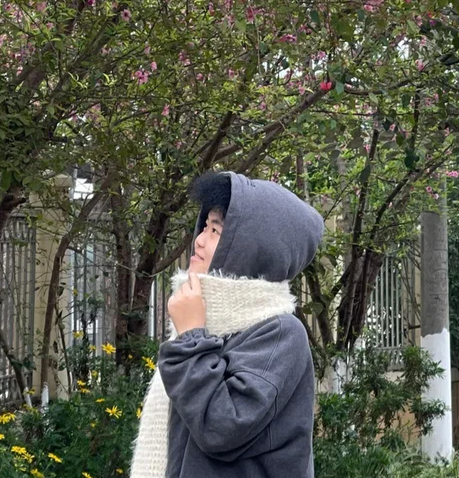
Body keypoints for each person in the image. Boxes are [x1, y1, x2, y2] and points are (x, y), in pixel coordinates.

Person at [130, 171, 324, 478]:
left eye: (215, 231)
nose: (199, 240)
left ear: (255, 247)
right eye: (204, 226)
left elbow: (221, 427)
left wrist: (191, 339)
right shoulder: (212, 323)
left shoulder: (281, 333)